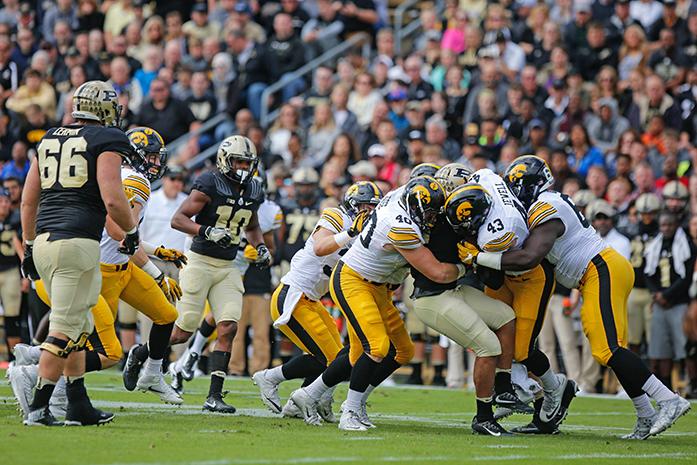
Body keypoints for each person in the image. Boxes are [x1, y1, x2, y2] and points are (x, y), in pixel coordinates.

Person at [459, 155, 691, 439]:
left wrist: (481, 257)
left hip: (600, 268)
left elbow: (529, 257)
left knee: (607, 349)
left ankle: (668, 399)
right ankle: (645, 413)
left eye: (516, 185)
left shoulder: (547, 206)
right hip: (596, 273)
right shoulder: (547, 202)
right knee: (612, 349)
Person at [292, 176, 467, 431]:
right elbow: (438, 273)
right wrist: (468, 264)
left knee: (402, 350)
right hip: (353, 280)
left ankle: (311, 395)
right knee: (376, 347)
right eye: (429, 213)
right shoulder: (401, 225)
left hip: (379, 286)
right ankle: (350, 411)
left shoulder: (399, 197)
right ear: (417, 206)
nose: (432, 219)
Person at [18, 81, 138, 426]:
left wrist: (28, 245)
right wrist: (130, 231)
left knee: (81, 325)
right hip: (77, 243)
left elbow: (29, 199)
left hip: (45, 241)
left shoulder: (50, 137)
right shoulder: (106, 139)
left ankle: (77, 403)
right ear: (103, 109)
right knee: (66, 327)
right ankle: (39, 406)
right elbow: (113, 196)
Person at [451, 167, 574, 434]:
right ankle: (512, 389)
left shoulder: (497, 231)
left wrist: (476, 257)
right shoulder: (483, 178)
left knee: (521, 350)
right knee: (497, 337)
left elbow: (494, 276)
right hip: (507, 275)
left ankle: (555, 387)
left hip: (530, 278)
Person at [414, 164, 530, 436]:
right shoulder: (435, 221)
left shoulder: (460, 218)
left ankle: (503, 389)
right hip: (432, 296)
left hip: (453, 290)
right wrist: (470, 264)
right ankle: (483, 416)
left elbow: (493, 280)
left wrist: (478, 258)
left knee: (505, 317)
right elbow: (440, 272)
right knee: (488, 347)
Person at [252, 181, 382, 423]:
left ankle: (299, 403)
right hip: (292, 295)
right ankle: (272, 378)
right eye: (365, 206)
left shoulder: (369, 232)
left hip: (312, 300)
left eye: (373, 208)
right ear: (353, 205)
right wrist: (351, 232)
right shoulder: (336, 216)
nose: (369, 212)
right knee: (330, 359)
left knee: (343, 357)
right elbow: (322, 247)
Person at [168, 135, 271, 413]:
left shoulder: (253, 189)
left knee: (228, 326)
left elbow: (251, 225)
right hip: (199, 260)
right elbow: (177, 219)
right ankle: (143, 355)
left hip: (227, 266)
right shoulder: (209, 182)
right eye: (238, 161)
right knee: (181, 332)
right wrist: (207, 230)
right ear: (225, 160)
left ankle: (214, 396)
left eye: (247, 163)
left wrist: (260, 246)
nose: (243, 168)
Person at [645, 211, 696, 391]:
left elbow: (687, 276)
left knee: (684, 348)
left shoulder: (686, 245)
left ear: (676, 225)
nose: (666, 228)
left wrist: (667, 296)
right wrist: (657, 294)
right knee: (660, 349)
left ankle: (691, 384)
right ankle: (665, 387)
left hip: (678, 302)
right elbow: (647, 272)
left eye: (669, 225)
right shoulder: (655, 245)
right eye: (663, 225)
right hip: (660, 303)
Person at [627, 193, 661, 354]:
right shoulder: (631, 232)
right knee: (632, 338)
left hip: (653, 291)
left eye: (650, 213)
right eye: (643, 213)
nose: (647, 217)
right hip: (634, 289)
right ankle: (635, 375)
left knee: (653, 338)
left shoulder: (662, 234)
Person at [0, 187, 22, 357]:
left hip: (10, 271)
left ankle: (14, 357)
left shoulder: (16, 220)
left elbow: (20, 248)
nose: (4, 205)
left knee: (12, 316)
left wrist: (25, 275)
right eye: (0, 201)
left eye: (6, 201)